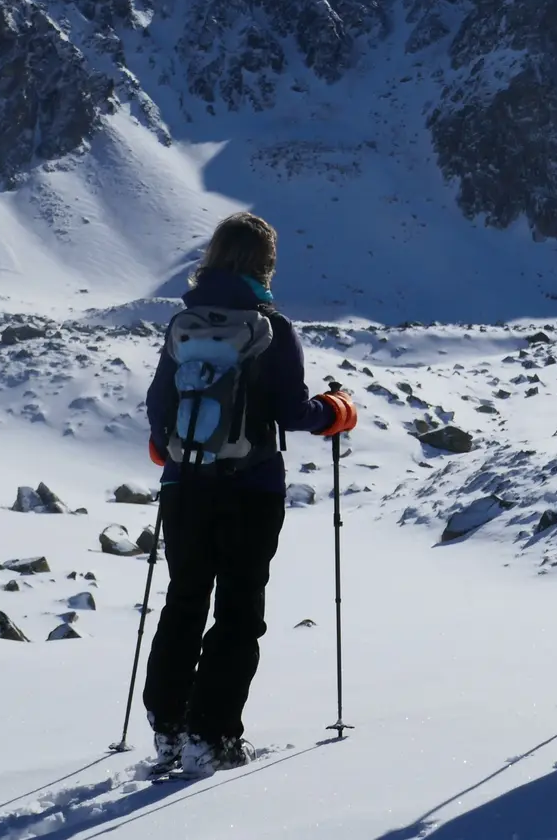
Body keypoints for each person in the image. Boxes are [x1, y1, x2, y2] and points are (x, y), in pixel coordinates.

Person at [142, 212, 356, 774]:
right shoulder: (271, 327)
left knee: (183, 602)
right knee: (238, 612)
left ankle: (168, 727)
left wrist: (169, 446)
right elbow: (292, 411)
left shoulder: (183, 324)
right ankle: (210, 736)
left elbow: (159, 407)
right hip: (251, 488)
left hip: (184, 485)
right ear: (265, 264)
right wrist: (335, 412)